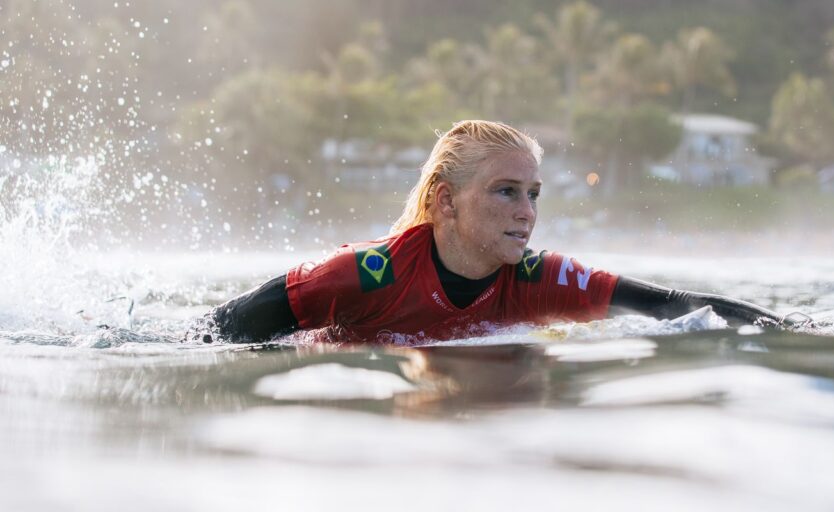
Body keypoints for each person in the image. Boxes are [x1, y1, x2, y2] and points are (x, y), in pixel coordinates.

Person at [204, 120, 787, 344]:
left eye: (533, 195)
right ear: (446, 201)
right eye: (506, 191)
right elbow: (217, 334)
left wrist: (801, 330)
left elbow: (674, 307)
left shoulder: (546, 276)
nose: (526, 212)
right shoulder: (362, 275)